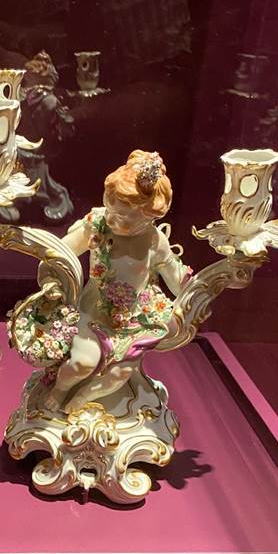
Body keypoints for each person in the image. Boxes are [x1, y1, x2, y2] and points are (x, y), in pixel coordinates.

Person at [43, 149, 191, 412]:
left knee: (118, 375)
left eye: (123, 218)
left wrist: (198, 286)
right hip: (94, 309)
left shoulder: (154, 242)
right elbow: (60, 252)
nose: (112, 219)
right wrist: (51, 278)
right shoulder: (97, 225)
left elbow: (178, 282)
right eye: (110, 209)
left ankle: (84, 397)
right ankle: (59, 389)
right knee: (80, 364)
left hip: (133, 317)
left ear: (150, 217)